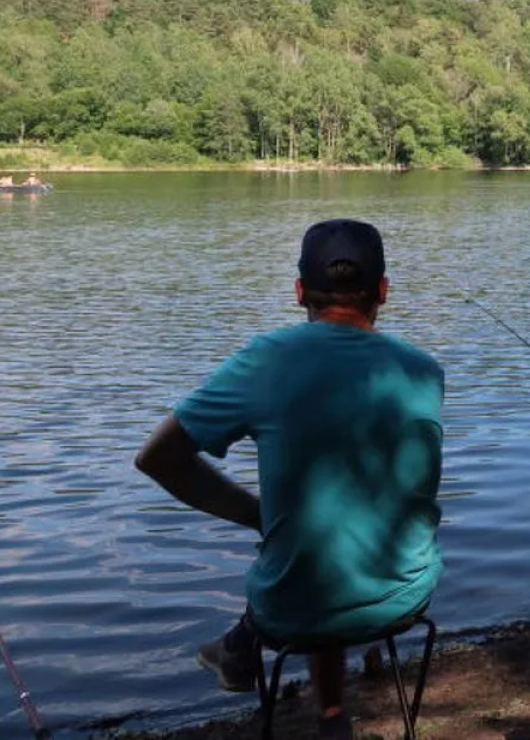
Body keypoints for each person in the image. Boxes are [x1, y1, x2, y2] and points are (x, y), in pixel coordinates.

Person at [135, 219, 444, 739]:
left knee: (306, 562)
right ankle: (329, 714)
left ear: (299, 290)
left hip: (296, 608)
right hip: (407, 595)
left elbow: (157, 458)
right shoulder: (423, 370)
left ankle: (244, 645)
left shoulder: (266, 361)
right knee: (332, 541)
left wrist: (254, 514)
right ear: (384, 291)